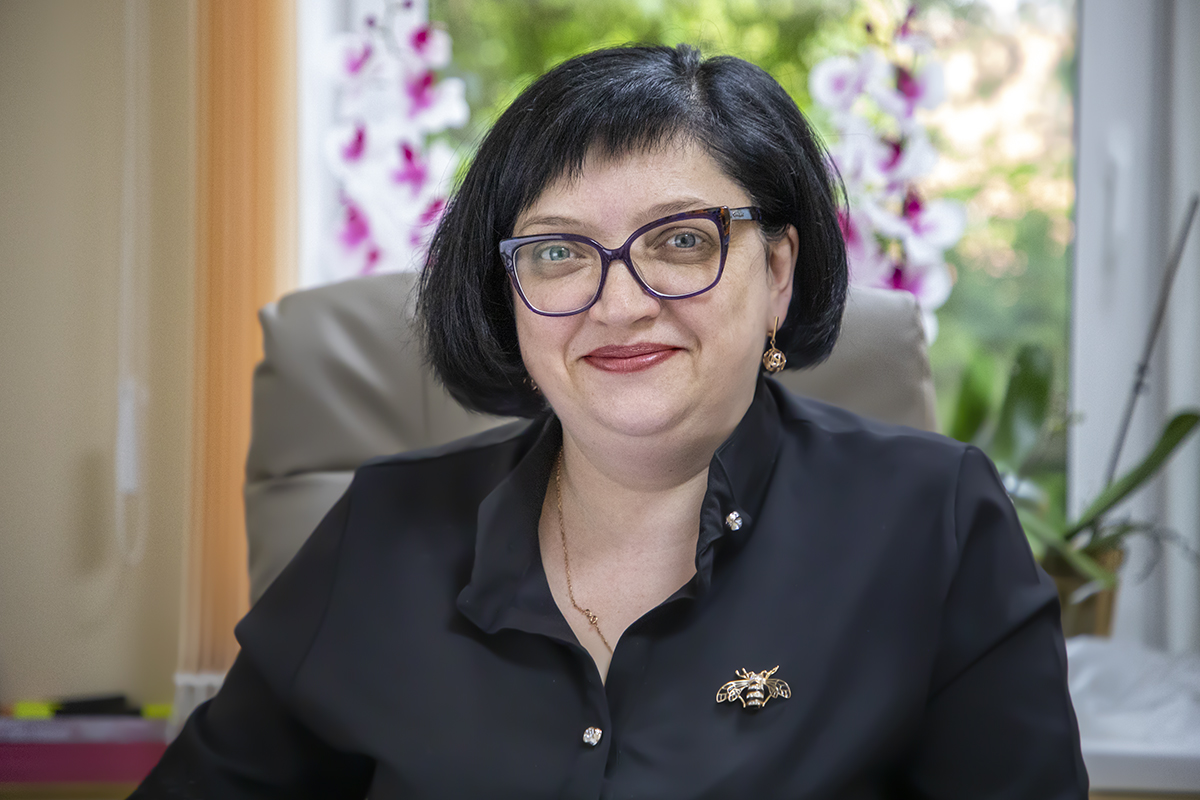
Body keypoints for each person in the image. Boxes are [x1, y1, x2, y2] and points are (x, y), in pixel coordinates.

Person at [131, 44, 1088, 798]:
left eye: (681, 240)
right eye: (558, 253)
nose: (620, 304)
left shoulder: (935, 525)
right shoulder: (381, 531)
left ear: (778, 272)